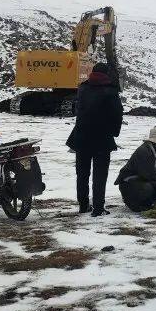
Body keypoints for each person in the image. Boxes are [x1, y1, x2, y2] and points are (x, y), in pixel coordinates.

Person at [66, 62, 123, 216]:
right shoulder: (110, 91)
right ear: (106, 74)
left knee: (82, 174)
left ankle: (83, 205)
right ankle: (98, 208)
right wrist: (115, 133)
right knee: (100, 175)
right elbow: (117, 114)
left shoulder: (83, 88)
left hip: (81, 137)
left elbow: (80, 111)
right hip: (102, 139)